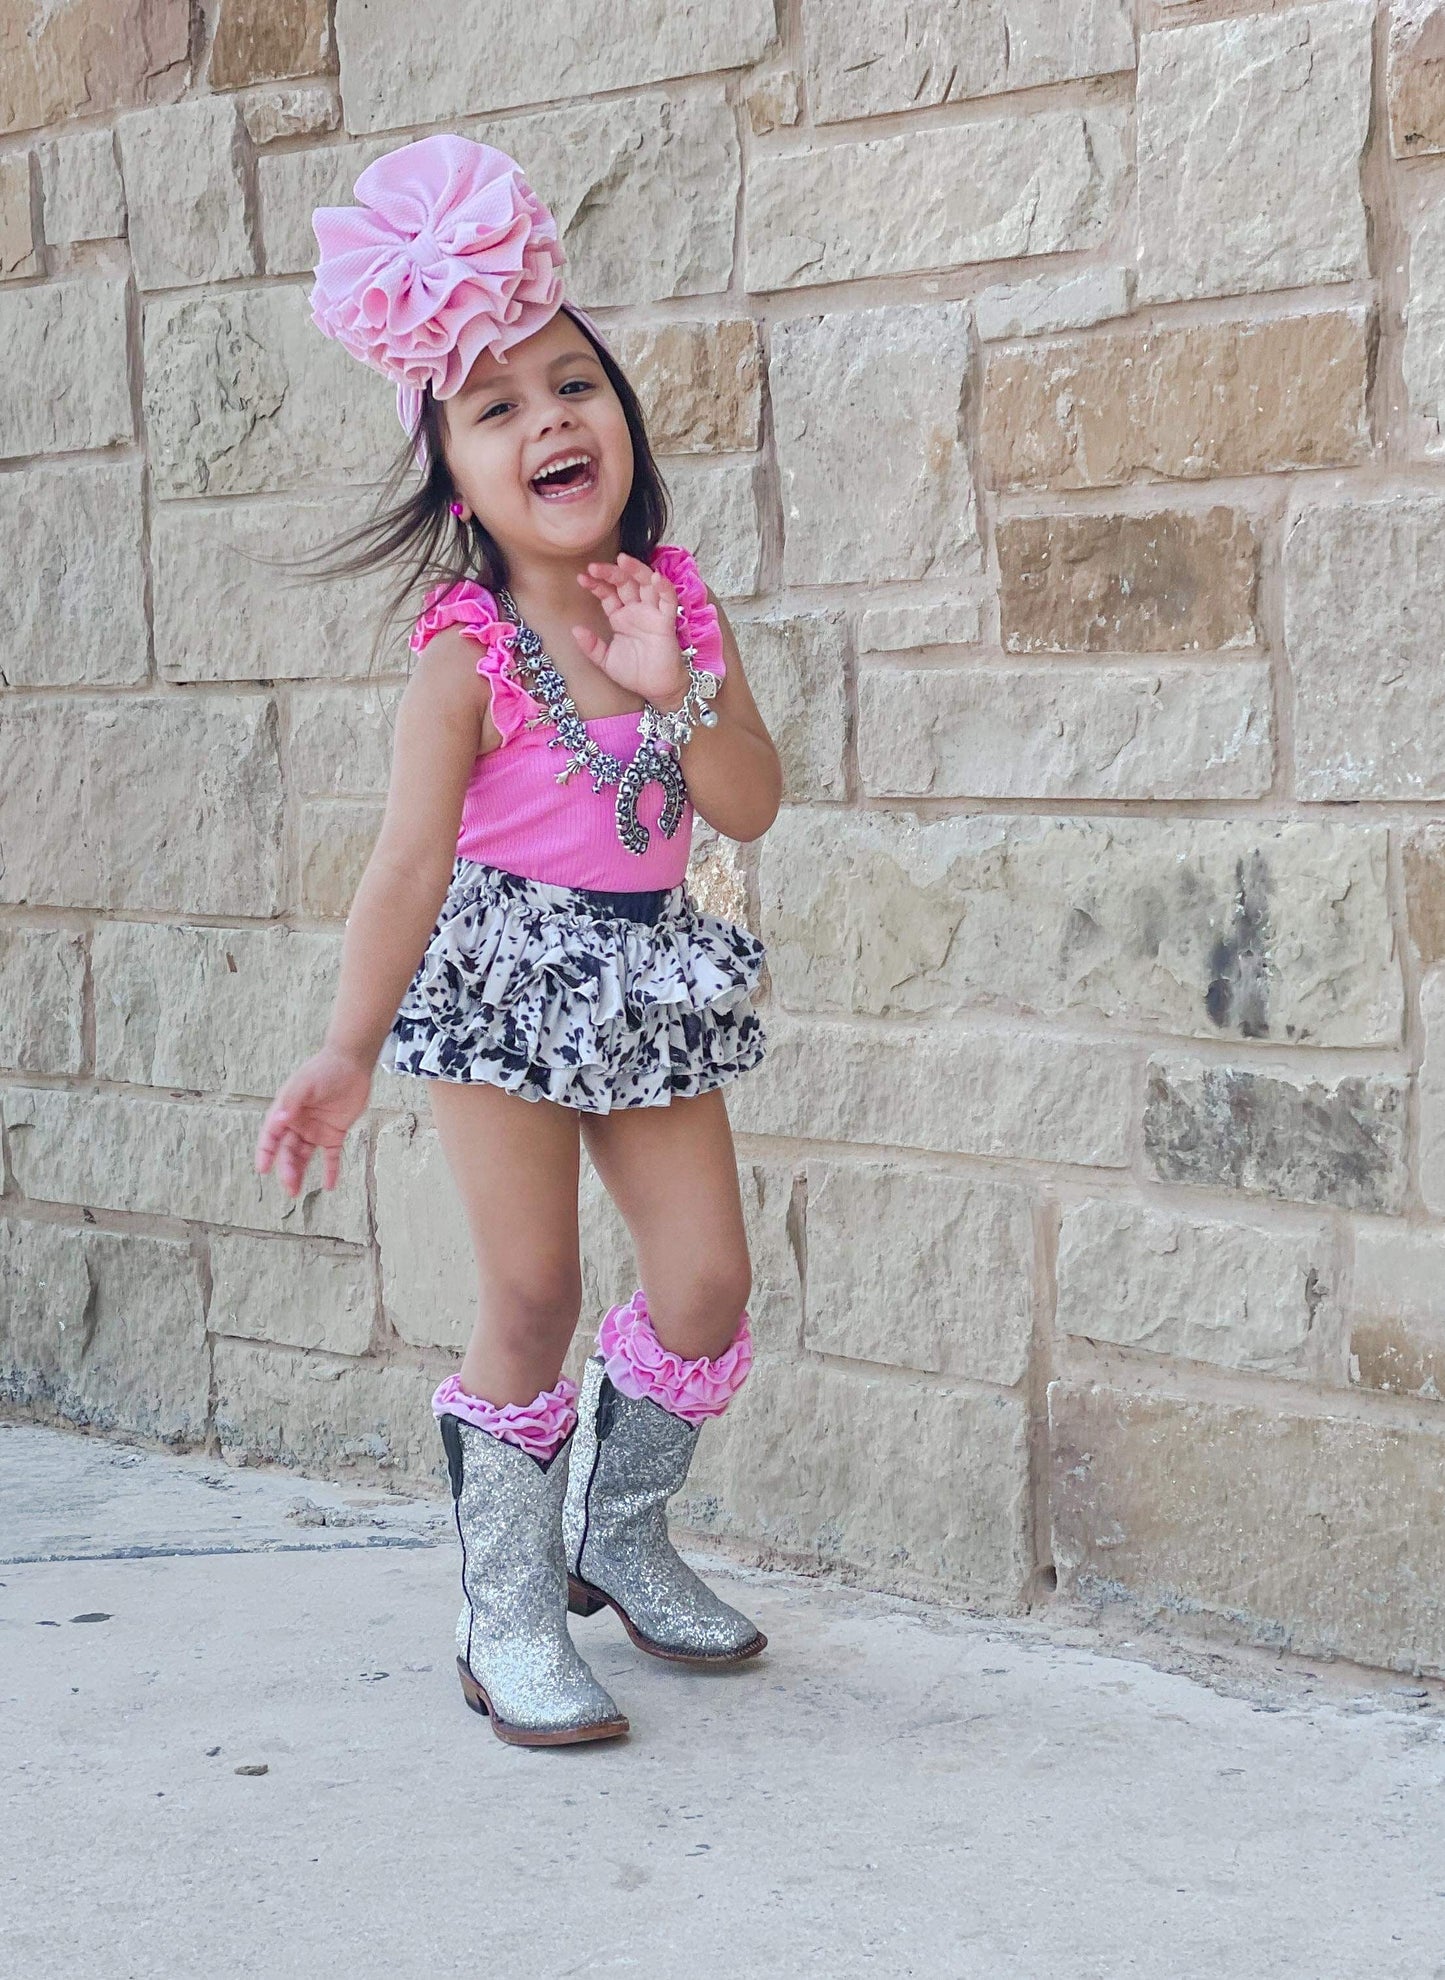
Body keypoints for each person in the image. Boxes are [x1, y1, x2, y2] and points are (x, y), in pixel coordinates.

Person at [252, 135, 782, 1749]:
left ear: (620, 418)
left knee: (704, 1284)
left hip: (645, 970)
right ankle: (503, 1607)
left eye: (571, 386)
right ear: (455, 476)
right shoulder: (463, 658)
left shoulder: (675, 608)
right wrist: (345, 1048)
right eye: (495, 409)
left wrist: (673, 685)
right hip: (497, 988)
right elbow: (408, 867)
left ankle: (614, 1537)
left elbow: (747, 804)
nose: (548, 418)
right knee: (535, 1289)